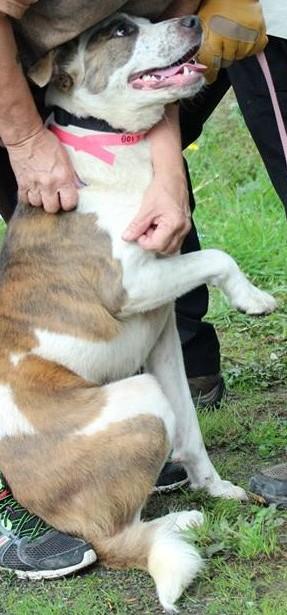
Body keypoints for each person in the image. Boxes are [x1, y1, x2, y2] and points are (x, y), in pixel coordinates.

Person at [0, 0, 278, 581]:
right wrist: (25, 140)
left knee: (161, 342)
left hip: (83, 103)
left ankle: (181, 466)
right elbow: (129, 293)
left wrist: (169, 172)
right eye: (126, 30)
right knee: (143, 373)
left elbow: (179, 19)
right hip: (57, 419)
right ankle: (71, 514)